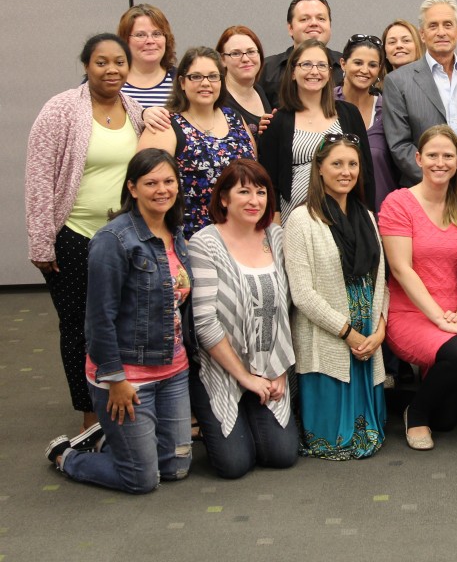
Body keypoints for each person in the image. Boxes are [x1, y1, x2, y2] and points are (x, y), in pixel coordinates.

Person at [45, 149, 194, 493]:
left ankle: (109, 439)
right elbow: (98, 319)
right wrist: (115, 379)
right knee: (141, 479)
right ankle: (67, 455)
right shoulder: (112, 240)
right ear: (132, 187)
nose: (162, 190)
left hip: (173, 370)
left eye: (169, 181)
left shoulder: (176, 232)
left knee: (175, 468)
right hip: (127, 375)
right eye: (151, 183)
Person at [27, 34, 146, 447]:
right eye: (101, 62)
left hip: (123, 240)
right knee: (79, 328)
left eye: (119, 62)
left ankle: (122, 405)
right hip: (74, 237)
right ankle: (90, 417)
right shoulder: (61, 109)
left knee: (122, 324)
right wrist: (41, 241)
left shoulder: (135, 111)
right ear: (86, 66)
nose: (111, 70)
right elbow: (39, 176)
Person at [188, 160, 298, 477]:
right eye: (244, 192)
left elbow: (287, 310)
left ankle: (252, 411)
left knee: (282, 455)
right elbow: (205, 323)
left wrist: (280, 370)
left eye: (261, 192)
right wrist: (245, 378)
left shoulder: (275, 236)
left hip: (269, 365)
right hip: (224, 368)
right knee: (234, 465)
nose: (254, 201)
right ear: (224, 198)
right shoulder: (205, 243)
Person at [378, 126, 457, 450]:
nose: (440, 162)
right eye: (433, 155)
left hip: (453, 316)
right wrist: (440, 318)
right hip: (411, 314)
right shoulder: (399, 203)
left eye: (448, 156)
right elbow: (401, 269)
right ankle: (416, 413)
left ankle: (407, 400)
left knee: (446, 421)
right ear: (418, 159)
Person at [285, 135, 389, 459]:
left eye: (352, 164)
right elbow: (302, 294)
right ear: (319, 168)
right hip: (330, 336)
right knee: (333, 440)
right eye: (337, 164)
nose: (346, 171)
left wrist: (379, 330)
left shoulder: (367, 216)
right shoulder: (301, 220)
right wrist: (348, 333)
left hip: (368, 334)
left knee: (370, 435)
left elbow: (380, 281)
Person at [382, 0, 457, 199]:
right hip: (424, 198)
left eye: (448, 24)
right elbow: (400, 145)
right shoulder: (397, 82)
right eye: (433, 26)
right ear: (422, 34)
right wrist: (444, 183)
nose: (441, 32)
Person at [137, 47, 256, 239]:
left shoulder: (235, 118)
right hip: (189, 239)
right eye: (196, 77)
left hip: (242, 236)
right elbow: (146, 189)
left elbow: (255, 173)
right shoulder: (165, 125)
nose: (205, 83)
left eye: (213, 76)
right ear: (182, 82)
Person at [258, 38, 373, 224]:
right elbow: (270, 184)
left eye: (321, 65)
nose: (314, 71)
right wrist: (276, 229)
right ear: (293, 72)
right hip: (295, 221)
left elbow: (365, 175)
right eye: (306, 64)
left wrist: (368, 221)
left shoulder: (349, 114)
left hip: (345, 218)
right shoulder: (278, 121)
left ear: (329, 72)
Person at [336, 34, 398, 211]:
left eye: (372, 65)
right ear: (343, 64)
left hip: (382, 212)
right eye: (358, 63)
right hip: (335, 212)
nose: (364, 70)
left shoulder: (388, 109)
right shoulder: (326, 104)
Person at [259, 0, 342, 109]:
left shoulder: (347, 67)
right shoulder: (266, 70)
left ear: (330, 26)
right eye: (304, 19)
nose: (314, 23)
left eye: (321, 18)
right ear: (290, 28)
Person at [117, 3, 177, 109]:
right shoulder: (110, 81)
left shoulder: (181, 81)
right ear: (125, 40)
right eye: (140, 35)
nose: (150, 41)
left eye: (157, 34)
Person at [216, 25, 270, 140]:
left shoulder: (259, 90)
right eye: (236, 53)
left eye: (251, 52)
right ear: (222, 60)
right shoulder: (217, 98)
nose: (245, 59)